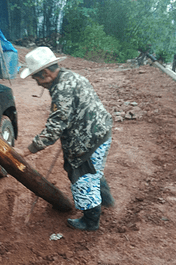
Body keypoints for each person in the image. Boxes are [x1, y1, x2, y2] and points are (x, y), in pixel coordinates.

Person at [18, 46, 114, 231]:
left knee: (84, 179)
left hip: (88, 142)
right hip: (101, 134)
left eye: (35, 77)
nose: (37, 83)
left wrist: (27, 150)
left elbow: (54, 127)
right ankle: (105, 199)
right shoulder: (71, 77)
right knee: (94, 170)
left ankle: (90, 221)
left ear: (45, 72)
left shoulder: (62, 89)